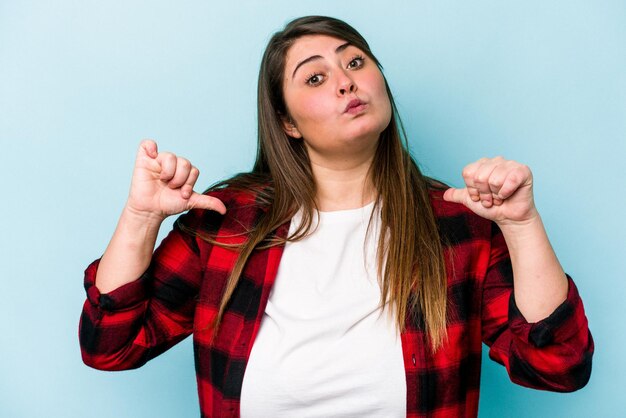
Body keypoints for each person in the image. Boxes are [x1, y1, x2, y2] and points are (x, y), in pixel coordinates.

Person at [79, 15, 593, 418]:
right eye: (317, 77)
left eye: (355, 63)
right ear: (287, 122)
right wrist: (141, 217)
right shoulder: (226, 221)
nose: (346, 83)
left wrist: (521, 226)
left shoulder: (458, 224)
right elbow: (110, 346)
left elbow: (559, 366)